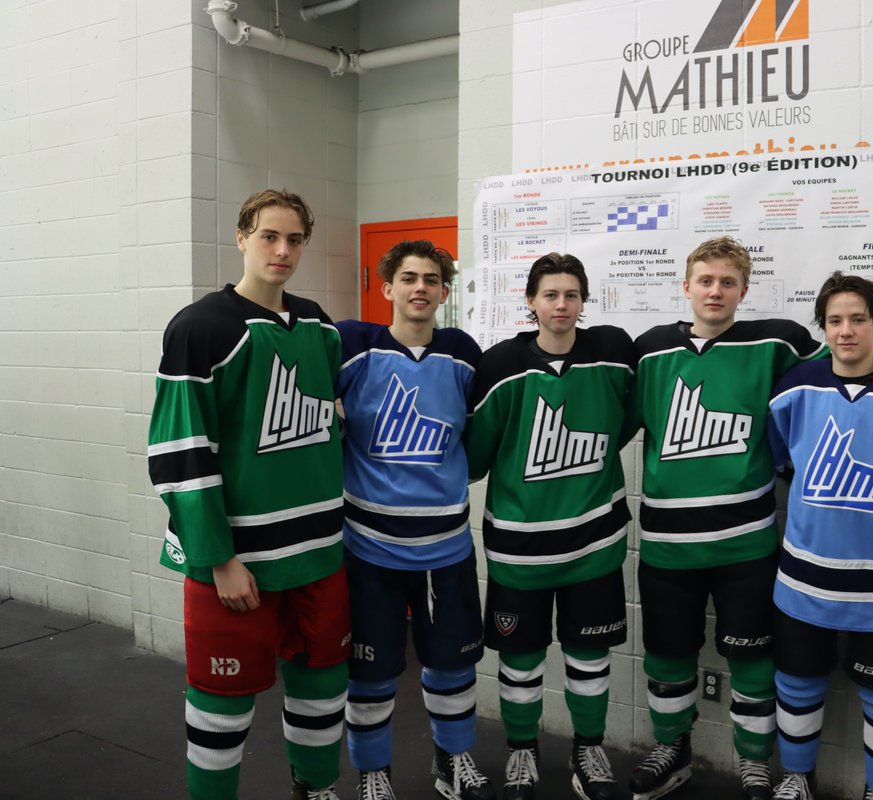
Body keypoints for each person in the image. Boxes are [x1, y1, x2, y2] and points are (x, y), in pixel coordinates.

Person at [627, 237, 873, 800]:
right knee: (666, 654)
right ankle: (673, 748)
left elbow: (848, 352)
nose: (715, 291)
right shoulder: (650, 350)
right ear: (686, 286)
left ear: (744, 289)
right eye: (705, 281)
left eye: (727, 282)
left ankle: (754, 762)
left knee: (753, 657)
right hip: (666, 545)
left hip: (747, 545)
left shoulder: (777, 341)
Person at [148, 189, 348, 800]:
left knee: (323, 693)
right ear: (241, 237)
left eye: (294, 239)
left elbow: (330, 426)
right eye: (269, 236)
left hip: (318, 554)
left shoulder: (318, 324)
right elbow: (180, 455)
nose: (282, 250)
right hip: (236, 566)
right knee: (220, 706)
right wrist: (219, 558)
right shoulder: (200, 327)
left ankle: (314, 789)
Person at [466, 252, 636, 800]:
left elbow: (627, 423)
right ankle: (522, 754)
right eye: (550, 294)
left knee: (590, 656)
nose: (561, 305)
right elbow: (475, 459)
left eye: (571, 295)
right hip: (520, 549)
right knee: (520, 658)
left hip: (595, 545)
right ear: (531, 301)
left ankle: (589, 749)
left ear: (584, 300)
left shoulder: (612, 354)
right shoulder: (499, 367)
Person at [767, 273, 873, 800]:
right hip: (802, 580)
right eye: (836, 320)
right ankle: (798, 778)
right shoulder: (794, 387)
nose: (846, 331)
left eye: (858, 320)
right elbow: (781, 460)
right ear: (823, 327)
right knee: (796, 685)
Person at [335, 241, 492, 800]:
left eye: (431, 279)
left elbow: (482, 434)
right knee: (371, 678)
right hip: (368, 549)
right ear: (387, 288)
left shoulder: (463, 355)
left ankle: (453, 762)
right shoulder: (354, 348)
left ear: (445, 292)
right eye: (408, 278)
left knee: (452, 669)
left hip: (445, 549)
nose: (420, 287)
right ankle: (373, 772)